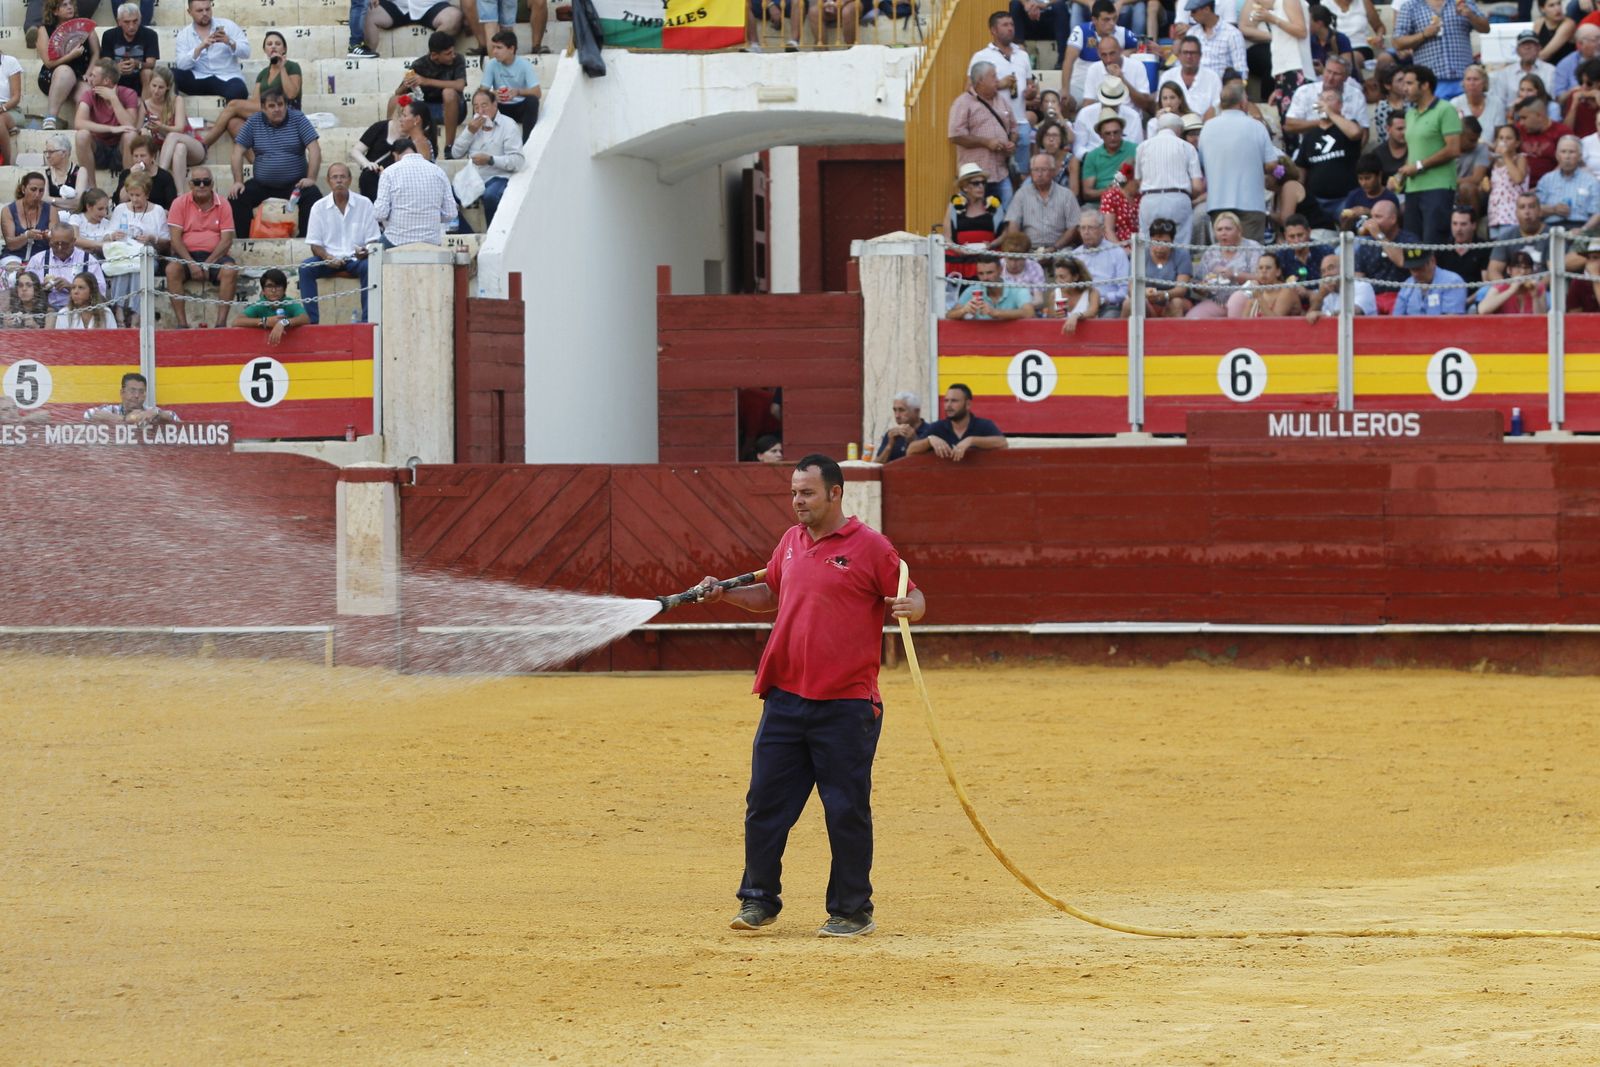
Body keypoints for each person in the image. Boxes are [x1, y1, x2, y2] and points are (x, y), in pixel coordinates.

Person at [700, 454, 924, 940]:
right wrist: (723, 595)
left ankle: (852, 910)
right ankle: (758, 901)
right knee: (764, 803)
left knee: (844, 808)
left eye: (806, 493)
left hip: (846, 704)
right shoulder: (789, 542)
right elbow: (770, 597)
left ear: (835, 493)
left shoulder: (871, 547)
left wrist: (913, 606)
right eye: (794, 493)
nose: (797, 502)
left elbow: (911, 593)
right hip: (784, 696)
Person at [228, 89, 322, 237]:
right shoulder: (254, 121)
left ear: (286, 105)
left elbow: (314, 149)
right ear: (264, 108)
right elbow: (237, 152)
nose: (277, 109)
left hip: (295, 184)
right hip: (262, 184)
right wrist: (238, 181)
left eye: (280, 104)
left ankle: (306, 241)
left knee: (313, 196)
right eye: (272, 106)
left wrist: (311, 178)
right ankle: (245, 242)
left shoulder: (298, 118)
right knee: (237, 196)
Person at [1197, 82, 1279, 241]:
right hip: (1250, 203)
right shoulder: (1256, 126)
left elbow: (1202, 163)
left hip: (1218, 203)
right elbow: (1272, 164)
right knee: (1251, 259)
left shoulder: (1207, 128)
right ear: (1243, 103)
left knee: (1225, 259)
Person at [300, 163, 379, 325]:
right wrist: (328, 257)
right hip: (329, 259)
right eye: (334, 177)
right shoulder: (318, 207)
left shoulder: (365, 204)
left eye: (343, 177)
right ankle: (312, 323)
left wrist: (365, 251)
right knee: (305, 268)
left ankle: (367, 322)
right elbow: (315, 245)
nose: (339, 181)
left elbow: (373, 240)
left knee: (370, 267)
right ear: (329, 181)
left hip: (357, 259)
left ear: (350, 180)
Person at [199, 30, 301, 150]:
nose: (273, 46)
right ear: (265, 50)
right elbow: (255, 102)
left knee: (233, 104)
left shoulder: (292, 66)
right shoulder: (263, 73)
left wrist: (282, 68)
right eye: (269, 44)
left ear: (284, 49)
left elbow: (292, 94)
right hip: (266, 112)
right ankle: (256, 162)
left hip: (286, 112)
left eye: (277, 44)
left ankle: (203, 144)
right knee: (233, 123)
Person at [1394, 64, 1461, 244]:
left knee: (1434, 243)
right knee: (1413, 244)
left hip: (1438, 187)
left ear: (1425, 85)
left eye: (1409, 83)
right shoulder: (1410, 114)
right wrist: (1402, 175)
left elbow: (1454, 148)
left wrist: (1419, 166)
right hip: (1413, 187)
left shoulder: (1445, 109)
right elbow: (1414, 150)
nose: (1404, 88)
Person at [164, 165, 238, 328]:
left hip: (215, 256)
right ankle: (182, 324)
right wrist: (191, 263)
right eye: (197, 182)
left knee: (230, 270)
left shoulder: (224, 204)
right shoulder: (179, 203)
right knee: (171, 270)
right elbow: (175, 240)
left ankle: (221, 324)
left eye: (206, 181)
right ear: (190, 185)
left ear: (212, 184)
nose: (202, 185)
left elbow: (226, 241)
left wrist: (207, 263)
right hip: (186, 256)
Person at [1280, 86, 1362, 227]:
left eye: (1329, 99)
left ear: (1340, 105)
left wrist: (1330, 113)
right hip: (1317, 202)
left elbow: (1355, 133)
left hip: (1345, 199)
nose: (1324, 103)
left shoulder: (1347, 127)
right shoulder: (1310, 135)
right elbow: (1302, 169)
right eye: (1321, 99)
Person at [948, 61, 1018, 218]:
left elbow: (1014, 128)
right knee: (975, 217)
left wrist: (1012, 142)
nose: (997, 80)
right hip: (975, 177)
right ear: (980, 80)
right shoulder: (963, 102)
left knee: (1007, 217)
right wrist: (986, 142)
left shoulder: (1001, 100)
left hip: (1001, 172)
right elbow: (955, 135)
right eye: (993, 76)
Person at [972, 12, 1037, 179]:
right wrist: (998, 85)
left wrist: (1031, 91)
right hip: (994, 123)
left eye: (1012, 24)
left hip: (1020, 122)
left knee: (1022, 174)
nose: (1010, 28)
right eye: (1005, 25)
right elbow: (970, 90)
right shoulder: (981, 56)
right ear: (993, 30)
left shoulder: (1022, 55)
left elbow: (1030, 85)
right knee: (995, 173)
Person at [449, 87, 525, 226]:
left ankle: (493, 235)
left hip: (498, 177)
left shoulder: (508, 125)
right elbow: (455, 153)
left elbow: (517, 160)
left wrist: (490, 160)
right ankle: (466, 232)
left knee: (490, 196)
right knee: (446, 195)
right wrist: (469, 132)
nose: (480, 111)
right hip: (474, 177)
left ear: (494, 104)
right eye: (476, 107)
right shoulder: (473, 125)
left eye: (484, 105)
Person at [1392, 0, 1487, 99]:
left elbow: (1486, 28)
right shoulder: (1410, 6)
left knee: (1466, 114)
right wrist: (1423, 35)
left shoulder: (1464, 2)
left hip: (1464, 80)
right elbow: (1397, 42)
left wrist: (1471, 15)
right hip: (1431, 83)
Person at [1130, 111, 1203, 240]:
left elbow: (1137, 181)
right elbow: (1197, 186)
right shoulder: (1187, 147)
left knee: (1148, 245)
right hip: (1178, 197)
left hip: (1149, 198)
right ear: (1179, 130)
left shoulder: (1142, 147)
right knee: (1181, 244)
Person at [352, 96, 439, 202]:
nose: (401, 119)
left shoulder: (420, 142)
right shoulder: (382, 127)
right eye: (401, 115)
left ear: (416, 120)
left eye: (405, 115)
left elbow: (420, 176)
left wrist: (386, 174)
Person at [73, 59, 139, 193]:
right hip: (99, 149)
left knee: (130, 135)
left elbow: (130, 125)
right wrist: (111, 128)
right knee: (81, 135)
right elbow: (79, 123)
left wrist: (113, 99)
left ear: (106, 81)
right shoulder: (89, 94)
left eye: (93, 76)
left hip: (121, 150)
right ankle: (92, 190)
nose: (89, 79)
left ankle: (127, 189)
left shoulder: (129, 94)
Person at [374, 139, 455, 246]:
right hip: (431, 241)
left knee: (374, 251)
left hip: (396, 240)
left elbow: (380, 214)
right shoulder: (438, 171)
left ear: (395, 155)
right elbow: (451, 213)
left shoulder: (389, 173)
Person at [1238, 0, 1313, 115]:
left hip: (1295, 68)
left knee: (1295, 119)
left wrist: (1272, 19)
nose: (1257, 2)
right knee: (1285, 121)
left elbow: (1301, 31)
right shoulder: (1278, 7)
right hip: (1283, 69)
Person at [136, 66, 203, 192]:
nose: (156, 91)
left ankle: (160, 174)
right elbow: (138, 129)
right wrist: (145, 130)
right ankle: (179, 193)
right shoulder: (145, 104)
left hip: (192, 145)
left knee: (173, 136)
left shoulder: (176, 100)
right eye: (153, 85)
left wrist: (161, 126)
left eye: (160, 87)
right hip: (170, 151)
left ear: (167, 87)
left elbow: (179, 128)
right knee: (179, 148)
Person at [108, 172, 164, 323]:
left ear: (147, 194)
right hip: (123, 253)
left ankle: (135, 313)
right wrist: (114, 235)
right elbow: (107, 235)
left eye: (138, 195)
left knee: (139, 266)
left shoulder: (157, 210)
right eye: (131, 195)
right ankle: (119, 308)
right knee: (123, 265)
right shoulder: (120, 209)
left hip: (147, 254)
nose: (134, 199)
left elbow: (166, 242)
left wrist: (152, 238)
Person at [37, 0, 98, 131]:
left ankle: (80, 129)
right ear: (55, 11)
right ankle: (51, 118)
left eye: (71, 4)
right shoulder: (44, 29)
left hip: (81, 74)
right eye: (64, 5)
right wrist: (71, 56)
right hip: (54, 75)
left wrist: (89, 73)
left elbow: (96, 53)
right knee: (65, 71)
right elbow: (48, 63)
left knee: (86, 91)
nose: (69, 7)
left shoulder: (84, 25)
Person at [1187, 211, 1262, 317]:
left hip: (1245, 297)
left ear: (1239, 231)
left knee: (1235, 302)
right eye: (1219, 229)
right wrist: (1201, 288)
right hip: (1217, 301)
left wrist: (1234, 275)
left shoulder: (1252, 247)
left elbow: (1262, 278)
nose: (1223, 233)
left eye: (1228, 229)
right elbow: (1196, 281)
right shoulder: (1211, 251)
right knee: (1193, 318)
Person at [399, 30, 467, 146]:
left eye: (453, 51)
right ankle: (396, 144)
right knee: (394, 101)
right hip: (426, 110)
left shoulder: (458, 60)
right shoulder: (419, 65)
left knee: (449, 93)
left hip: (455, 109)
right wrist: (406, 84)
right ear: (435, 55)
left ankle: (449, 147)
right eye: (448, 53)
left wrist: (426, 81)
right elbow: (398, 92)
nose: (453, 55)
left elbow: (460, 85)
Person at [172, 0, 249, 101]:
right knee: (169, 75)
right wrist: (200, 48)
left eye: (207, 9)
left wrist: (229, 41)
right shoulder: (184, 34)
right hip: (198, 78)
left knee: (239, 90)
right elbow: (181, 65)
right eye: (199, 10)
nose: (205, 13)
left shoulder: (229, 25)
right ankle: (174, 113)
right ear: (189, 12)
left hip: (226, 78)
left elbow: (246, 53)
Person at [907, 384, 1008, 460]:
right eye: (946, 401)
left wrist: (972, 440)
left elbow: (1002, 443)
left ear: (968, 404)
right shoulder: (937, 427)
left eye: (954, 401)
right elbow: (910, 451)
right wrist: (929, 440)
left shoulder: (984, 425)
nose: (948, 405)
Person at [1063, 0, 1138, 98]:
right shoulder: (1081, 31)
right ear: (1094, 20)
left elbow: (1144, 45)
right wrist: (1065, 89)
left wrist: (1128, 52)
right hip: (1081, 86)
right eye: (1106, 19)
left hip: (1110, 88)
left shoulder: (1122, 33)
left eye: (1114, 18)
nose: (1112, 23)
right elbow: (1068, 61)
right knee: (1064, 102)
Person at [1006, 152, 1081, 249]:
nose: (1039, 174)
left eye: (1044, 170)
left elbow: (1074, 226)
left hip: (1060, 249)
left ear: (1053, 172)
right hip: (1029, 249)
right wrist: (1019, 247)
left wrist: (1055, 247)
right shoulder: (1021, 194)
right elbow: (1013, 224)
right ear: (1031, 172)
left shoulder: (1067, 195)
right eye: (1035, 170)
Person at [1352, 199, 1416, 313]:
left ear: (1393, 219)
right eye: (1372, 217)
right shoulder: (1366, 244)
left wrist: (1379, 236)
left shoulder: (1409, 240)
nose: (1373, 222)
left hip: (1402, 297)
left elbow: (1401, 261)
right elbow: (1358, 278)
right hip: (1373, 298)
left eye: (1378, 217)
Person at [26, 223, 106, 313]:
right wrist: (40, 288)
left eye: (64, 244)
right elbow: (24, 290)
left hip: (80, 310)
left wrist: (72, 287)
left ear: (74, 241)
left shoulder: (88, 260)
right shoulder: (38, 260)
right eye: (55, 244)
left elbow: (101, 297)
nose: (60, 248)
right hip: (46, 310)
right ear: (50, 241)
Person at [1283, 53, 1367, 137]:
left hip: (1345, 147)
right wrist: (1324, 122)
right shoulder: (1305, 91)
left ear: (1346, 77)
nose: (1330, 78)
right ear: (1323, 70)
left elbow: (1364, 131)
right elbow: (1289, 126)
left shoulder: (1356, 95)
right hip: (1310, 147)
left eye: (1336, 74)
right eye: (1328, 71)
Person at [945, 163, 1004, 279]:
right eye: (976, 183)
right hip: (962, 258)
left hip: (988, 257)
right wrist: (959, 250)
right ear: (965, 187)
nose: (981, 187)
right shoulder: (954, 205)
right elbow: (947, 237)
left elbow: (1005, 234)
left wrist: (992, 244)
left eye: (983, 183)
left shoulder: (994, 203)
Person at [481, 29, 541, 138]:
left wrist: (517, 92)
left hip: (519, 107)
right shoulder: (491, 64)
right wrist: (493, 94)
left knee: (532, 101)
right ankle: (481, 141)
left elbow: (537, 92)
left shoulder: (524, 64)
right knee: (481, 100)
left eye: (499, 48)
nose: (494, 52)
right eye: (493, 47)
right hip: (500, 108)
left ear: (511, 49)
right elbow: (482, 91)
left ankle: (527, 143)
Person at [228, 266, 309, 342]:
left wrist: (283, 323)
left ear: (284, 290)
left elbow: (305, 318)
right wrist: (265, 321)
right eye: (269, 286)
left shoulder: (288, 302)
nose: (273, 290)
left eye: (278, 286)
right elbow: (236, 322)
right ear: (263, 291)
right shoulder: (260, 305)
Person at [1132, 215, 1193, 317]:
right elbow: (1131, 288)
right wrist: (1144, 293)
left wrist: (1164, 295)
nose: (1160, 247)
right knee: (1129, 304)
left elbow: (1181, 290)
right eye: (1156, 242)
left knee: (1176, 303)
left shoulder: (1182, 255)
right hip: (1147, 301)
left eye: (1165, 242)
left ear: (1172, 241)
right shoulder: (1141, 255)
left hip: (1174, 299)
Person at [1071, 78, 1144, 161]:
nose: (1110, 105)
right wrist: (1092, 158)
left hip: (1122, 162)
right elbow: (1078, 147)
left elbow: (1137, 147)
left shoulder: (1133, 116)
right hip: (1092, 160)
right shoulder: (1085, 114)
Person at [1536, 133, 1600, 226]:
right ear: (1557, 155)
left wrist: (1582, 231)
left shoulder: (1591, 181)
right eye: (1563, 151)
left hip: (1580, 227)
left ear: (1580, 156)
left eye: (1571, 152)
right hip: (1550, 229)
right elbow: (1536, 209)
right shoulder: (1546, 180)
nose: (1567, 156)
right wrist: (1553, 209)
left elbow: (1597, 213)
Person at [1081, 33, 1152, 115]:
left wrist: (1122, 78)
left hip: (1131, 117)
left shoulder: (1137, 66)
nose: (1108, 60)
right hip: (1103, 119)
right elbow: (1088, 102)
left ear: (1120, 51)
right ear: (1098, 54)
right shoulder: (1093, 69)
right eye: (1104, 55)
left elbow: (1145, 104)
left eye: (1112, 54)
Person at [945, 256, 1037, 319]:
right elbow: (949, 315)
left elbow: (1029, 313)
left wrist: (995, 312)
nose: (985, 278)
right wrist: (963, 310)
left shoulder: (1017, 289)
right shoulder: (973, 290)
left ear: (1000, 270)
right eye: (981, 274)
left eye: (990, 272)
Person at [1487, 191, 1551, 280]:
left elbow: (1553, 272)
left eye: (1531, 207)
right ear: (1516, 213)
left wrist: (1536, 290)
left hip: (1543, 291)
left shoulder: (1552, 236)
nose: (1527, 211)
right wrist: (1506, 290)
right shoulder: (1506, 237)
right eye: (1522, 207)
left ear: (1540, 211)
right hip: (1510, 289)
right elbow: (1493, 270)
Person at [363, 0, 464, 57]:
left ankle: (432, 58)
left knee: (454, 17)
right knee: (367, 12)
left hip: (432, 5)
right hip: (397, 5)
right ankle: (368, 55)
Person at [1515, 93, 1575, 185]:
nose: (1521, 122)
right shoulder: (1518, 129)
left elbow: (1566, 162)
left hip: (1552, 186)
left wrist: (1545, 184)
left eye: (1524, 118)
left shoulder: (1562, 132)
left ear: (1539, 116)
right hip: (1519, 185)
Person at [1483, 123, 1531, 235]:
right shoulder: (1494, 162)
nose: (1503, 141)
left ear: (1517, 143)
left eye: (1508, 138)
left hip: (1512, 215)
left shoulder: (1520, 158)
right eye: (1501, 138)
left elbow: (1518, 178)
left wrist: (1505, 156)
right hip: (1495, 215)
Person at [1160, 33, 1223, 117]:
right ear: (1179, 55)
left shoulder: (1213, 77)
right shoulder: (1167, 76)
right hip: (1174, 123)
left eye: (1193, 53)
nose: (1189, 56)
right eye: (1185, 53)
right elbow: (1161, 105)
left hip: (1204, 125)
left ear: (1200, 55)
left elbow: (1217, 108)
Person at [1079, 110, 1135, 205]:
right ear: (1100, 135)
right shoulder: (1092, 156)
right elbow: (1087, 193)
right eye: (1108, 134)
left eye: (1116, 132)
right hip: (1100, 203)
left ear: (1122, 132)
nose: (1112, 137)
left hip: (1129, 200)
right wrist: (1110, 191)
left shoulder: (1136, 149)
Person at [1391, 247, 1467, 314]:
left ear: (1432, 261)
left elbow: (1452, 322)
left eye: (1420, 268)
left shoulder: (1452, 282)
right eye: (1412, 269)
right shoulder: (1407, 285)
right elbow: (1396, 320)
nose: (1416, 274)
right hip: (1411, 329)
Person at [1185, 0, 1248, 81]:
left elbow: (1241, 69)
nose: (1191, 15)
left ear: (1207, 9)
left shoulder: (1232, 34)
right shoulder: (1192, 32)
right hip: (1195, 85)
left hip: (1222, 87)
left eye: (1194, 11)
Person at [101, 2, 156, 94]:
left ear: (140, 19)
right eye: (127, 22)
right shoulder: (108, 35)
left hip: (139, 77)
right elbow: (106, 62)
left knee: (147, 73)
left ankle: (145, 106)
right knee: (105, 73)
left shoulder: (150, 35)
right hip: (117, 76)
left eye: (135, 21)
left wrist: (137, 64)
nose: (131, 26)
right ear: (119, 22)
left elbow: (151, 64)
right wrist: (116, 67)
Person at [1304, 251, 1376, 321]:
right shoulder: (1326, 292)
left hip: (1365, 331)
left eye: (1330, 268)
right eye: (1323, 271)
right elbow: (1309, 319)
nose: (1326, 274)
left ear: (1344, 269)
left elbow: (1352, 312)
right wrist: (1320, 297)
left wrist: (1325, 315)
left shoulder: (1363, 286)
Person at [85, 371, 179, 424]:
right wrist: (125, 419)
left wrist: (158, 414)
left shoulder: (151, 412)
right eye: (132, 391)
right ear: (122, 393)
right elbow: (88, 414)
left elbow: (176, 420)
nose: (137, 395)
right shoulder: (111, 410)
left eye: (141, 391)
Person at [111, 134, 177, 208]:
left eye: (143, 156)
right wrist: (131, 176)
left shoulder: (164, 177)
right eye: (136, 156)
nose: (139, 160)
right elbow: (121, 200)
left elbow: (171, 205)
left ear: (152, 156)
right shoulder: (126, 174)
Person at [1493, 31, 1556, 108]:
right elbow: (1499, 102)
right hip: (1512, 115)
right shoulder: (1505, 73)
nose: (1527, 48)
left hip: (1542, 114)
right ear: (1517, 50)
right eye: (1523, 45)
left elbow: (1553, 98)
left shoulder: (1551, 71)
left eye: (1531, 45)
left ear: (1539, 48)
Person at [1225, 252, 1301, 316]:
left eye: (1268, 268)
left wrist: (1260, 298)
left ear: (1278, 272)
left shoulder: (1286, 290)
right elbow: (1244, 322)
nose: (1263, 271)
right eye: (1260, 268)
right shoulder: (1257, 291)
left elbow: (1276, 323)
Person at [3, 173, 57, 263]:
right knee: (13, 272)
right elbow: (11, 245)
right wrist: (26, 236)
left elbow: (56, 240)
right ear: (23, 189)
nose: (37, 194)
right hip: (14, 256)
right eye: (33, 189)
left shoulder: (51, 210)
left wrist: (48, 235)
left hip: (42, 256)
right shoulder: (8, 210)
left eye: (41, 191)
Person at [1477, 249, 1549, 313]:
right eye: (1518, 267)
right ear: (1509, 270)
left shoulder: (1538, 287)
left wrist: (1535, 297)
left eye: (1527, 268)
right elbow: (1482, 310)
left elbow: (1541, 319)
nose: (1523, 272)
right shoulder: (1501, 286)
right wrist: (1511, 290)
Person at [1043, 254, 1100, 331]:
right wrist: (1055, 314)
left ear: (1075, 277)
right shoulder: (1055, 295)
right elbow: (1052, 322)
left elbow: (1092, 312)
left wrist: (1076, 316)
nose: (1058, 281)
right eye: (1056, 277)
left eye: (1062, 277)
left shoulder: (1091, 292)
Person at [1435, 206, 1491, 283]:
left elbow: (1486, 283)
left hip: (1476, 294)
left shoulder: (1484, 248)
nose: (1458, 229)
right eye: (1455, 224)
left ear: (1474, 225)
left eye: (1463, 224)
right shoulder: (1442, 248)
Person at [872, 391, 929, 464]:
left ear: (916, 412)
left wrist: (914, 441)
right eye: (895, 410)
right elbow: (877, 465)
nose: (897, 415)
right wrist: (889, 445)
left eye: (901, 410)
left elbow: (929, 466)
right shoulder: (891, 434)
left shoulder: (930, 431)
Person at [50, 269, 116, 329]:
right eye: (73, 287)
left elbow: (114, 339)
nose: (75, 292)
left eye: (81, 287)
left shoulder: (106, 313)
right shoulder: (64, 314)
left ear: (91, 291)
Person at [1553, 23, 1600, 105]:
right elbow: (1559, 98)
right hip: (1577, 107)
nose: (1599, 43)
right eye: (1595, 40)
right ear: (1580, 44)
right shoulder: (1566, 64)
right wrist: (1575, 90)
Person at [1454, 116, 1491, 211]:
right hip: (1446, 191)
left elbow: (1477, 179)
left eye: (1477, 139)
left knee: (1466, 188)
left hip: (1471, 193)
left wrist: (1450, 182)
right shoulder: (1444, 146)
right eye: (1471, 140)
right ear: (1459, 135)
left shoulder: (1481, 148)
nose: (1475, 144)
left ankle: (1473, 223)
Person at [1565, 235, 1600, 310]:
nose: (1598, 263)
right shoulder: (1579, 282)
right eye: (1594, 258)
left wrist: (1595, 277)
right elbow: (1574, 316)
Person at [1372, 110, 1408, 183]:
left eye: (1406, 128)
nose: (1404, 132)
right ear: (1388, 129)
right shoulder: (1377, 154)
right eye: (1400, 129)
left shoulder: (1415, 148)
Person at [0, 44, 20, 166]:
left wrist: (2, 108)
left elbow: (16, 97)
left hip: (10, 109)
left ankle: (7, 164)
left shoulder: (10, 61)